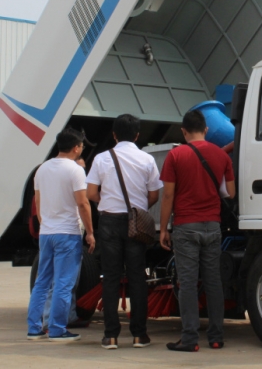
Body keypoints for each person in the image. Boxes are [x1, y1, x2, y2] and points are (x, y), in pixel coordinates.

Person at [159, 110, 235, 352]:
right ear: (206, 130)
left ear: (183, 131)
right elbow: (231, 193)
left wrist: (163, 229)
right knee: (213, 282)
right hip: (212, 226)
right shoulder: (221, 156)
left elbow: (168, 195)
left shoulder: (175, 155)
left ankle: (190, 339)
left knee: (188, 283)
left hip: (185, 226)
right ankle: (216, 337)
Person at [86, 114, 161, 349]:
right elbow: (154, 195)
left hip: (108, 222)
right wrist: (137, 209)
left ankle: (110, 336)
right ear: (137, 135)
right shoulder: (147, 159)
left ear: (114, 134)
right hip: (135, 222)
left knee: (111, 277)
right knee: (137, 277)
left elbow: (91, 193)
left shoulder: (101, 158)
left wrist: (108, 203)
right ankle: (139, 335)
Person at [26, 128, 95, 342]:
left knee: (42, 282)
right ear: (76, 148)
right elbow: (83, 203)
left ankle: (34, 328)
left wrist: (45, 225)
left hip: (47, 233)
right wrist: (90, 232)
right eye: (81, 146)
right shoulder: (75, 170)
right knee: (64, 283)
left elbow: (38, 202)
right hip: (67, 233)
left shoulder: (42, 169)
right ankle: (57, 329)